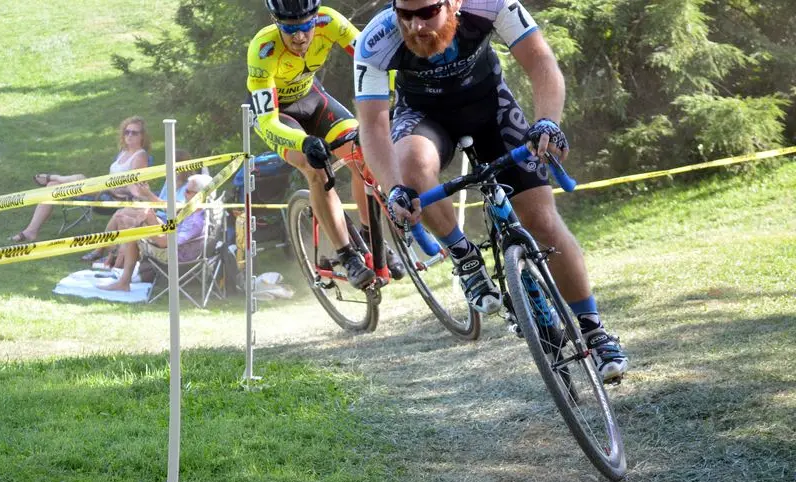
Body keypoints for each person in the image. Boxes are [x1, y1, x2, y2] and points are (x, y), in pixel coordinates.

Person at [352, 0, 628, 381]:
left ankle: (594, 329)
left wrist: (547, 122)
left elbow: (541, 62)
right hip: (423, 119)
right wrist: (395, 187)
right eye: (406, 15)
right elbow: (373, 127)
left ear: (454, 4)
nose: (415, 27)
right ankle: (463, 255)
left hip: (491, 108)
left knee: (542, 221)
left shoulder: (491, 4)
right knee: (410, 169)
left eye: (428, 12)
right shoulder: (376, 39)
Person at [246, 0, 405, 291]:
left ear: (315, 18)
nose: (299, 37)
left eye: (306, 26)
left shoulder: (329, 22)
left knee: (363, 154)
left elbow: (373, 57)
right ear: (275, 21)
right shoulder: (263, 48)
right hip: (279, 117)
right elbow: (268, 120)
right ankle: (346, 255)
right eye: (289, 29)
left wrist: (394, 94)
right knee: (317, 170)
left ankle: (372, 239)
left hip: (314, 100)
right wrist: (303, 141)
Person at [9, 116, 152, 243]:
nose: (129, 135)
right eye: (127, 132)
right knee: (51, 186)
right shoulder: (123, 152)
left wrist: (110, 188)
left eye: (134, 133)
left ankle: (52, 176)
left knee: (81, 179)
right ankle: (31, 230)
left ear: (142, 136)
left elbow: (135, 188)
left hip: (116, 196)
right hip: (104, 189)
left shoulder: (140, 156)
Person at [96, 174, 214, 293]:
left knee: (135, 233)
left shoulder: (195, 222)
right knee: (138, 219)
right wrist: (148, 216)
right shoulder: (192, 210)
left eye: (188, 192)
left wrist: (146, 226)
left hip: (177, 256)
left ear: (200, 196)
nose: (184, 193)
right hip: (177, 246)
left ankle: (123, 280)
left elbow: (165, 243)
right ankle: (119, 266)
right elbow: (167, 210)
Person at [81, 149, 194, 264]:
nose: (165, 167)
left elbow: (174, 209)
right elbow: (158, 203)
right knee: (120, 215)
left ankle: (114, 258)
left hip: (167, 223)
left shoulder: (188, 187)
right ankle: (112, 255)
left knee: (125, 219)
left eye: (169, 164)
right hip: (157, 216)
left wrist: (149, 195)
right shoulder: (169, 181)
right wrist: (143, 195)